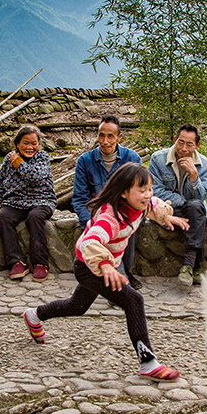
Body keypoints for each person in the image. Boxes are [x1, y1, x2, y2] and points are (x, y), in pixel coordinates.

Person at [22, 163, 188, 381]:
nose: (148, 194)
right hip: (89, 267)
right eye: (142, 189)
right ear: (124, 192)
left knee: (77, 306)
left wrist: (165, 215)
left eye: (149, 188)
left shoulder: (137, 204)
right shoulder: (110, 217)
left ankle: (34, 315)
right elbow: (89, 242)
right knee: (134, 301)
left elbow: (153, 203)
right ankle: (148, 362)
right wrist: (106, 265)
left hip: (103, 267)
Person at [72, 115, 144, 289]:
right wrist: (90, 220)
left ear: (119, 138)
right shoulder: (85, 161)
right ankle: (117, 275)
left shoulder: (131, 158)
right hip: (97, 214)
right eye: (101, 135)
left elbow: (143, 191)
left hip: (125, 212)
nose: (105, 141)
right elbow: (80, 198)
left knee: (127, 225)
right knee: (103, 229)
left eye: (110, 136)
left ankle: (125, 269)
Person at [0, 125, 56, 283]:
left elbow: (35, 177)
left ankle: (40, 262)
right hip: (16, 201)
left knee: (34, 217)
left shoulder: (43, 157)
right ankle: (16, 261)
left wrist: (18, 162)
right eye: (26, 143)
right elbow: (2, 183)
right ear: (17, 143)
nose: (30, 147)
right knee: (3, 218)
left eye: (34, 143)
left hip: (42, 200)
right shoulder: (9, 158)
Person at [149, 123, 207, 286]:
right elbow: (156, 192)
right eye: (180, 142)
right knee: (197, 211)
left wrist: (193, 175)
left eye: (189, 144)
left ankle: (188, 265)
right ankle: (196, 265)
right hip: (168, 212)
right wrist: (185, 202)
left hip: (192, 211)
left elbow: (201, 196)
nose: (184, 148)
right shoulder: (158, 159)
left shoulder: (205, 164)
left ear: (197, 145)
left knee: (196, 207)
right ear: (175, 140)